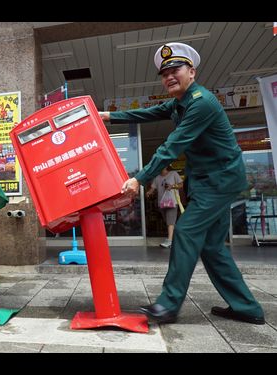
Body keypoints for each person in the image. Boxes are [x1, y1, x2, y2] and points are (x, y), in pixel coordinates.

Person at [99, 42, 265, 325]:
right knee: (212, 247)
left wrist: (139, 178)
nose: (169, 77)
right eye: (164, 74)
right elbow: (147, 114)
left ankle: (168, 305)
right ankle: (247, 307)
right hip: (205, 181)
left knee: (186, 232)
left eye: (176, 70)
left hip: (220, 180)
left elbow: (171, 147)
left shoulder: (202, 103)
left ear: (193, 72)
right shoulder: (180, 102)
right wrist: (109, 116)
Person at [146, 166, 183, 248]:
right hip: (162, 203)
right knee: (169, 222)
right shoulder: (157, 177)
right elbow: (153, 188)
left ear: (166, 166)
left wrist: (172, 186)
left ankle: (169, 241)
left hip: (172, 202)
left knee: (170, 222)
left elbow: (181, 185)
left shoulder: (173, 174)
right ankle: (177, 239)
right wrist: (149, 192)